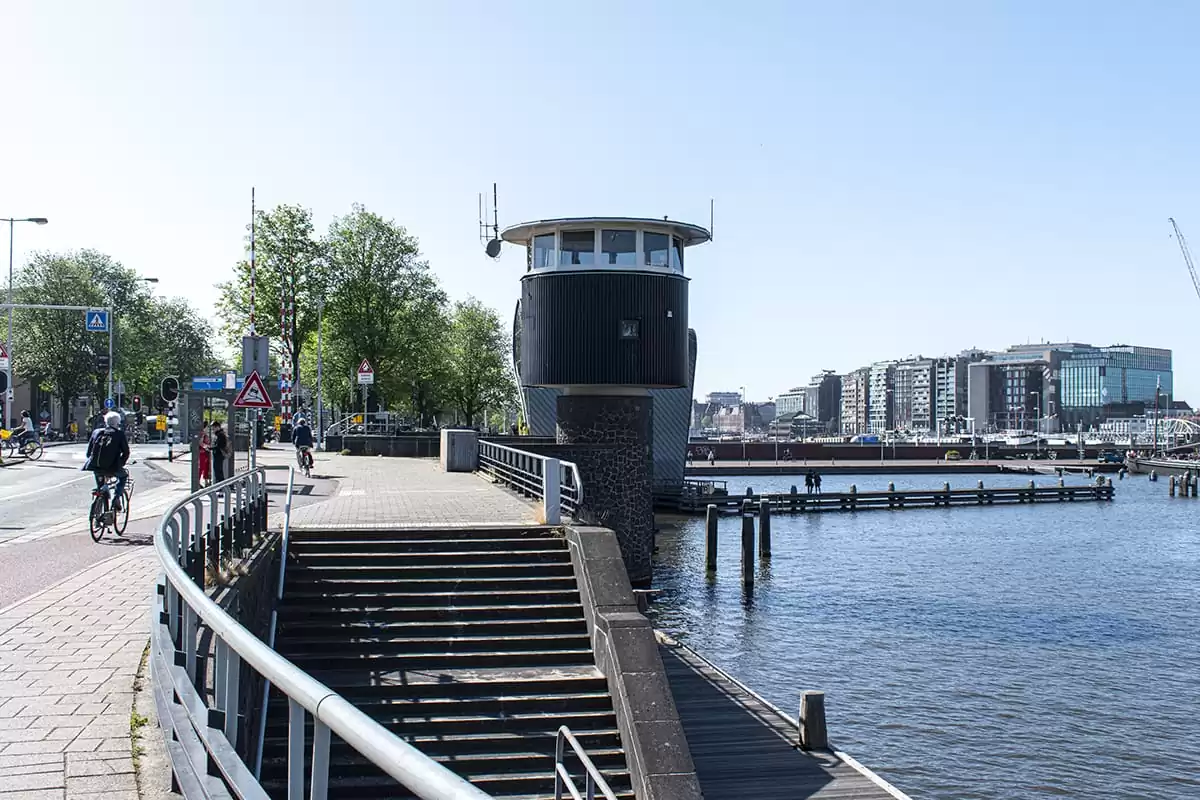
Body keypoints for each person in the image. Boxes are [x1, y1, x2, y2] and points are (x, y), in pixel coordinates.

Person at [84, 411, 131, 510]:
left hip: (95, 466)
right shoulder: (119, 434)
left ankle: (99, 503)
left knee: (100, 484)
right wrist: (120, 464)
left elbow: (89, 453)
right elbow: (126, 452)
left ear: (106, 422)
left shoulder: (96, 432)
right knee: (123, 477)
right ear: (118, 423)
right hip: (113, 467)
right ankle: (116, 497)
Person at [198, 422, 212, 487]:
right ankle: (198, 482)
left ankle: (206, 481)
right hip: (202, 453)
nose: (208, 429)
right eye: (207, 427)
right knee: (201, 467)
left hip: (206, 453)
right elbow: (200, 443)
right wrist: (206, 447)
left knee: (206, 467)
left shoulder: (205, 434)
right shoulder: (202, 434)